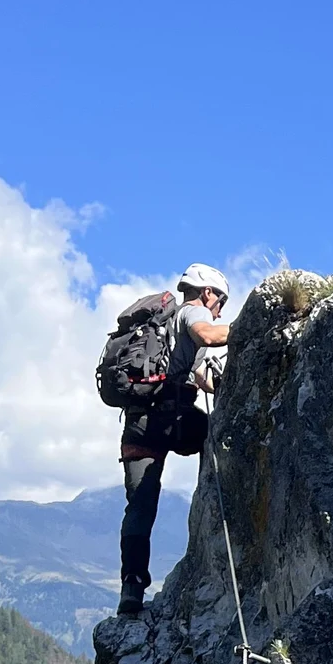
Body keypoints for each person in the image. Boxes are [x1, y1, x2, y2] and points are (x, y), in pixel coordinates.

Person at [117, 264, 231, 618]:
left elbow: (200, 374)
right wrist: (253, 325)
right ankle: (212, 525)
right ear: (208, 292)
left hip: (138, 423)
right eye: (221, 302)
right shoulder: (194, 312)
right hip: (173, 421)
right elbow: (209, 337)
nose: (220, 311)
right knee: (220, 433)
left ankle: (131, 590)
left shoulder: (162, 325)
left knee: (139, 507)